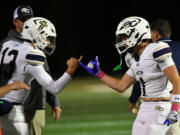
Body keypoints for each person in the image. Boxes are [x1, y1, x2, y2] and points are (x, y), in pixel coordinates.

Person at [80, 16, 180, 135]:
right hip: (144, 108)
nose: (123, 41)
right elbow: (121, 86)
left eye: (125, 36)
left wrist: (174, 109)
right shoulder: (134, 58)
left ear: (137, 33)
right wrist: (99, 73)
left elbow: (176, 80)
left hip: (160, 108)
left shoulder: (157, 49)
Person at [0, 16, 82, 135]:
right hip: (12, 110)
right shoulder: (31, 53)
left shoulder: (8, 44)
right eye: (47, 37)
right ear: (36, 35)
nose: (48, 41)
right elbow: (54, 87)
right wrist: (70, 70)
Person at [6, 5, 62, 135]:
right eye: (23, 19)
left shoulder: (36, 40)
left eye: (30, 19)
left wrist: (54, 101)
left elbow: (45, 73)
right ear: (15, 21)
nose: (27, 22)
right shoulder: (8, 45)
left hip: (35, 104)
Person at [127, 19, 180, 135]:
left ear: (155, 34)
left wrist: (133, 99)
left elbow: (142, 77)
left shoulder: (151, 50)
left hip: (164, 102)